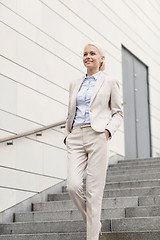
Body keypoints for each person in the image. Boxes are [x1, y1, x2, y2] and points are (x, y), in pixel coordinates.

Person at [64, 42, 123, 240]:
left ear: (101, 59)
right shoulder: (74, 83)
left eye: (92, 53)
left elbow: (118, 113)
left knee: (94, 192)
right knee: (73, 185)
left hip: (97, 135)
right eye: (85, 54)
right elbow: (71, 112)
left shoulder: (110, 81)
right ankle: (93, 222)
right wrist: (68, 134)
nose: (88, 56)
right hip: (76, 137)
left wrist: (107, 132)